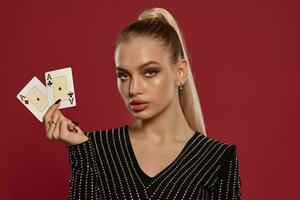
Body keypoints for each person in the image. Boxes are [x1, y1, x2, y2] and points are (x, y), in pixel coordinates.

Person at [43, 7, 242, 200]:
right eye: (123, 75)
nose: (133, 89)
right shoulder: (94, 148)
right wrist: (82, 154)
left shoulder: (218, 159)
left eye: (150, 72)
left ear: (180, 73)